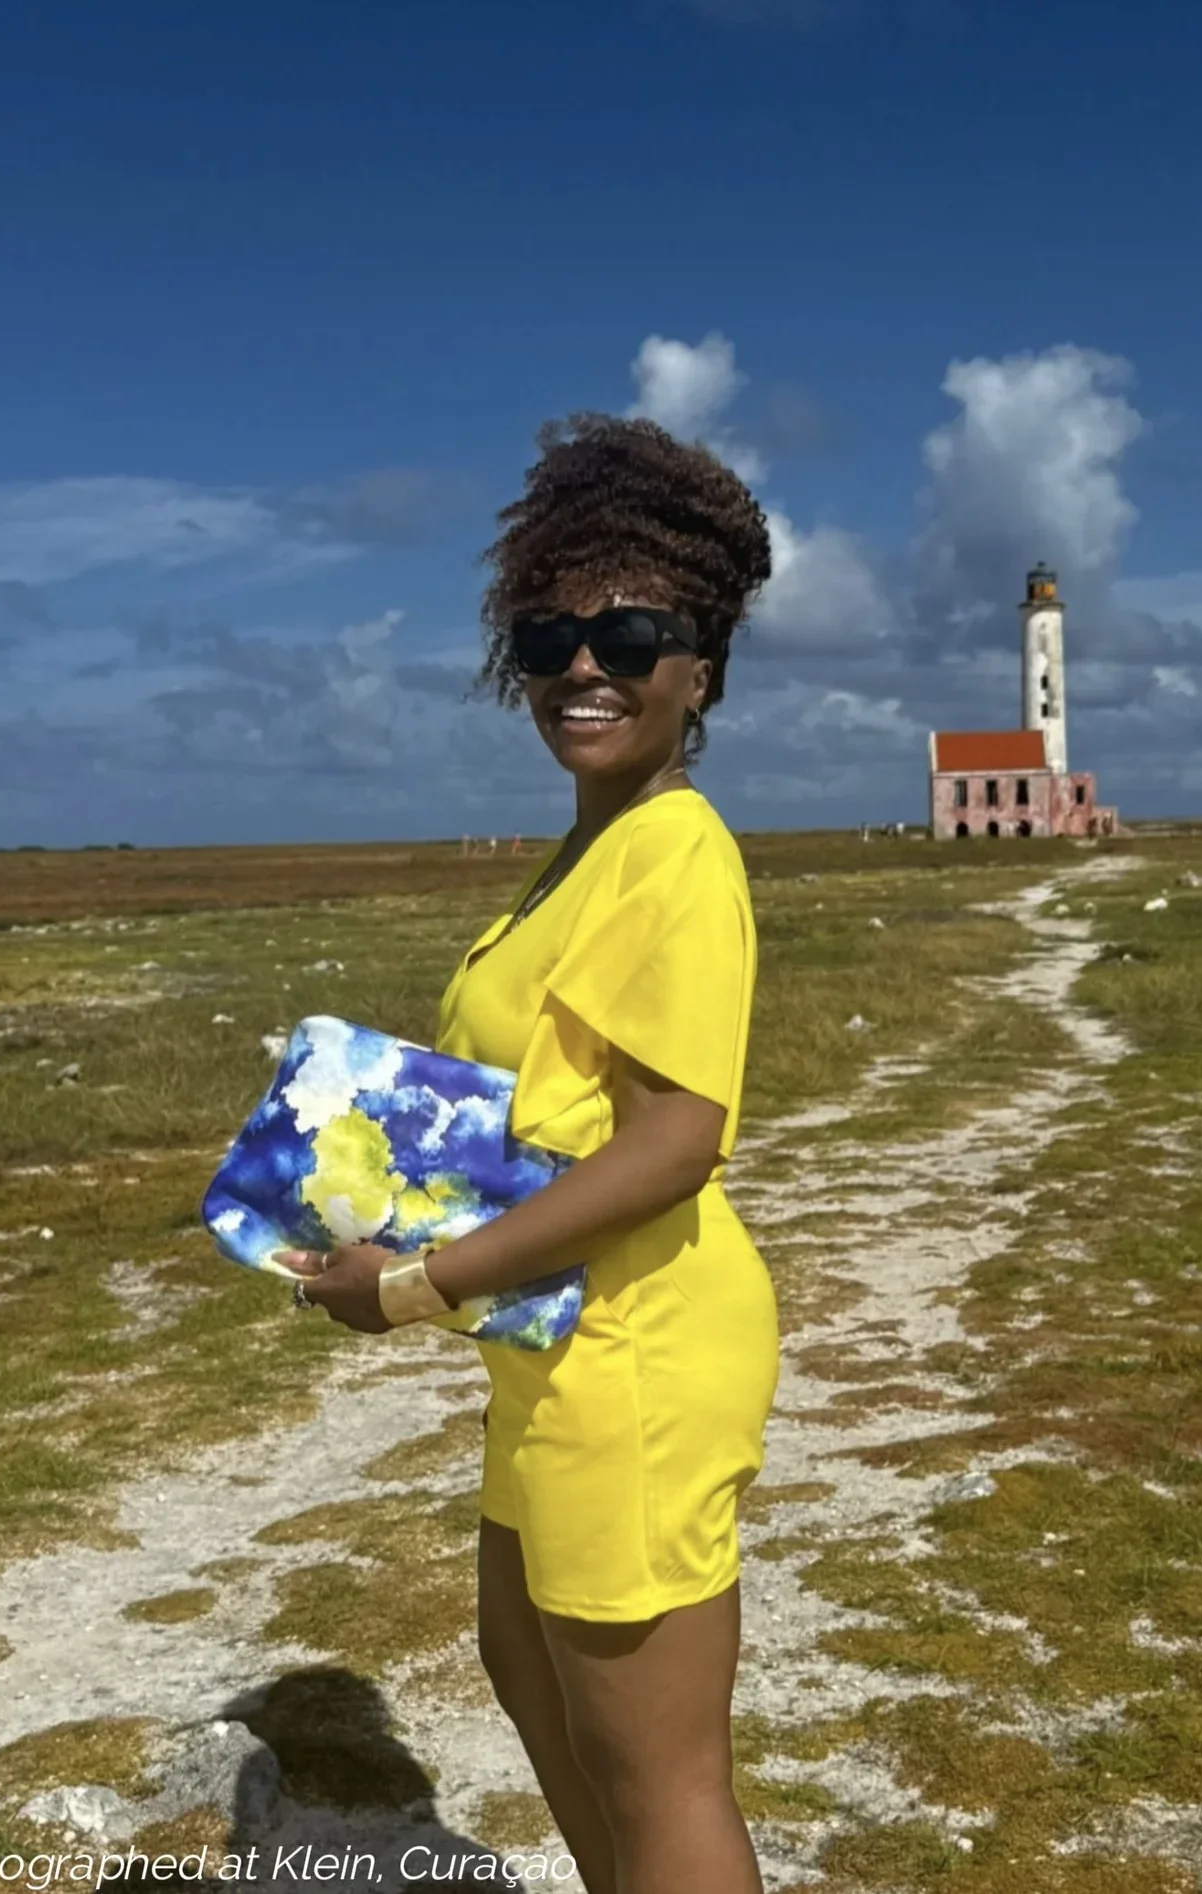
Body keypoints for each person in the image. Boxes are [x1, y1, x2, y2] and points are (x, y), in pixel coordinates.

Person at [279, 413, 778, 1894]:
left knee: (663, 1769)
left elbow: (675, 1140)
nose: (584, 665)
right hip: (551, 1333)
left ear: (702, 663)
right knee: (526, 1663)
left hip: (632, 1343)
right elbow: (546, 1100)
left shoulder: (679, 847)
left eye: (631, 633)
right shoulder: (589, 847)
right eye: (549, 630)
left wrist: (421, 1281)